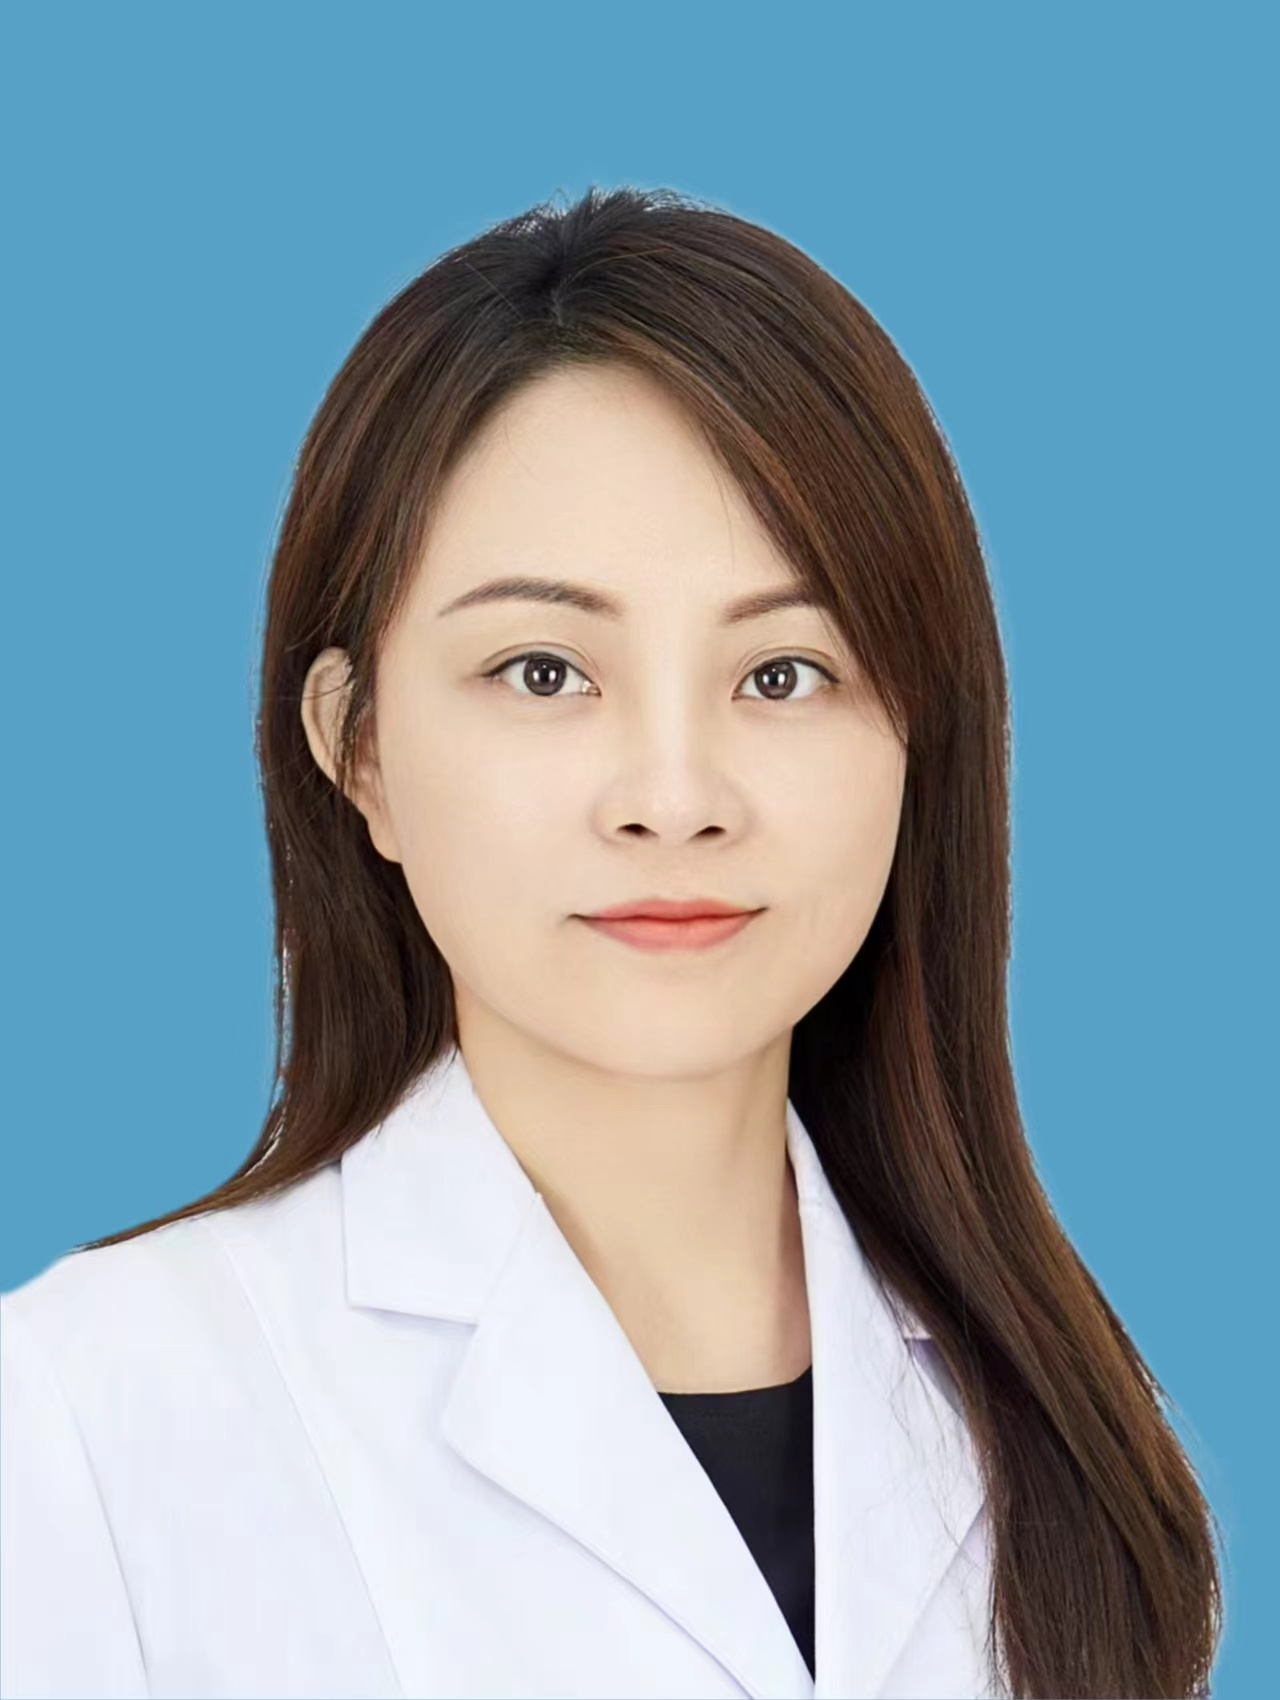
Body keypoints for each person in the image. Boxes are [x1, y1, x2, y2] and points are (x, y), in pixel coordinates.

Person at [0, 185, 1224, 1699]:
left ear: (920, 735)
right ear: (357, 745)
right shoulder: (86, 1417)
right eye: (543, 671)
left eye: (782, 674)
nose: (674, 797)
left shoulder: (1070, 1426)